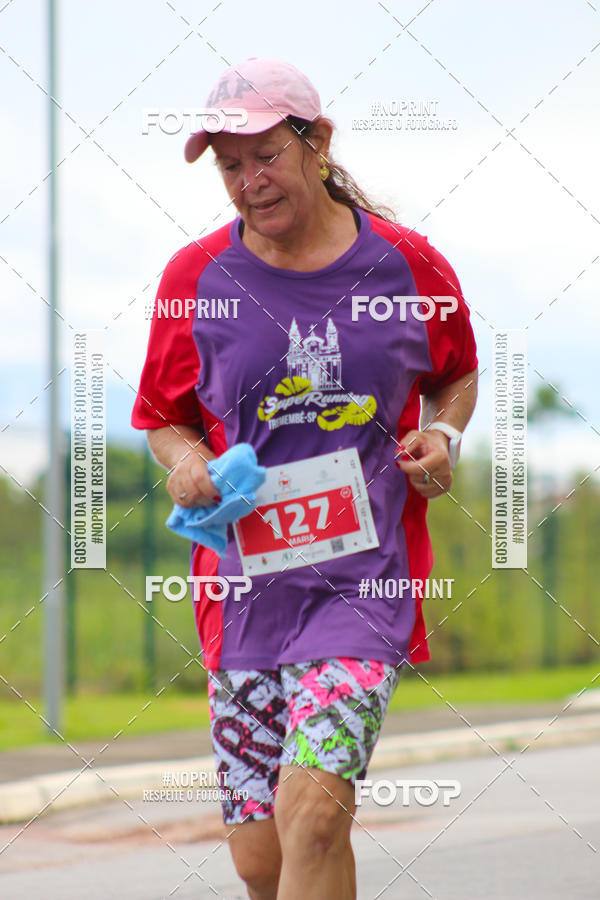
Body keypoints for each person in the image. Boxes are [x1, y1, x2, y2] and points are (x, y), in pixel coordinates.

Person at [132, 57, 478, 900]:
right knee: (263, 857)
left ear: (316, 142)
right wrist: (186, 465)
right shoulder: (195, 281)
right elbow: (162, 417)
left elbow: (457, 374)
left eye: (264, 156)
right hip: (243, 594)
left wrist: (442, 434)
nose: (249, 182)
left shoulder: (407, 266)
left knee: (317, 812)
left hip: (361, 583)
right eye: (229, 165)